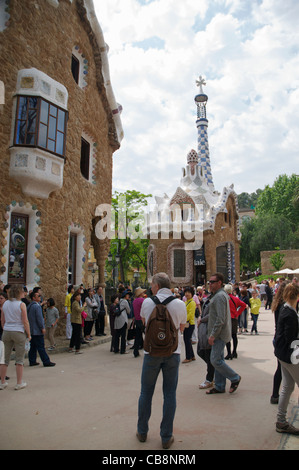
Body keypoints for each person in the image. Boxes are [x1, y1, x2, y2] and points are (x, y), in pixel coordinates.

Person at [136, 272, 187, 450]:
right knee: (170, 393)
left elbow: (144, 323)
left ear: (157, 286)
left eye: (151, 285)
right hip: (173, 353)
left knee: (146, 392)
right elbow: (181, 328)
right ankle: (166, 437)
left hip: (151, 353)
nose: (150, 288)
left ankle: (142, 431)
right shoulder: (180, 304)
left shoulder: (147, 302)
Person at [206, 273, 241, 395]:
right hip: (219, 334)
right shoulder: (218, 295)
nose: (210, 284)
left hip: (219, 335)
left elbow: (220, 319)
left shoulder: (220, 296)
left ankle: (235, 377)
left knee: (215, 360)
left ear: (219, 282)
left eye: (212, 282)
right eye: (209, 282)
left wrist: (213, 335)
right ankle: (220, 386)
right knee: (219, 359)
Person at [274, 283, 299, 435]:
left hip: (282, 354)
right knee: (287, 387)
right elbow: (291, 339)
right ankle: (281, 421)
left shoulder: (285, 309)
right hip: (290, 355)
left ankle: (281, 421)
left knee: (287, 387)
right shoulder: (290, 314)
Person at [0, 284, 31, 390]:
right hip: (18, 331)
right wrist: (28, 334)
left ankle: (2, 381)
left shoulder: (5, 304)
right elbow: (25, 321)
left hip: (7, 331)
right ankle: (19, 382)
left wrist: (5, 327)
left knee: (4, 359)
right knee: (19, 359)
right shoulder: (21, 304)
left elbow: (2, 320)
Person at [27, 291, 56, 367]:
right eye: (38, 296)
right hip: (37, 330)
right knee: (40, 346)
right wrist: (42, 327)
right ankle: (46, 361)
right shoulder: (37, 306)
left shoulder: (30, 305)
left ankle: (32, 360)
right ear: (34, 298)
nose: (40, 296)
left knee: (33, 346)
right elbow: (39, 318)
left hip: (32, 330)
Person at [270, 282, 287, 404]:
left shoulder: (278, 304)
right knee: (282, 369)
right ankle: (275, 394)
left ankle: (275, 394)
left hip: (278, 338)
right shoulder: (284, 306)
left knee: (280, 369)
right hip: (282, 339)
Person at [223, 284, 246, 359]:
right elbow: (243, 305)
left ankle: (229, 353)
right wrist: (237, 313)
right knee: (234, 335)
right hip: (234, 318)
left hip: (226, 319)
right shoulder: (235, 298)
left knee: (227, 336)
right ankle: (234, 351)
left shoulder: (224, 299)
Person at [197, 294, 215, 389]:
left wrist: (202, 319)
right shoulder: (207, 299)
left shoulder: (217, 299)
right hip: (203, 330)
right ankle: (214, 372)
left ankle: (210, 378)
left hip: (209, 330)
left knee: (209, 356)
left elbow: (213, 314)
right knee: (200, 352)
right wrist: (200, 317)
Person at [69, 290, 87, 354]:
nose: (79, 297)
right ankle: (77, 349)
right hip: (76, 321)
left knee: (74, 335)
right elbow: (79, 310)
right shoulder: (75, 303)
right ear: (75, 297)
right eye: (78, 296)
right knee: (77, 335)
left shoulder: (76, 303)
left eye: (80, 296)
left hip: (76, 320)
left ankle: (71, 347)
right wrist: (84, 306)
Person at [114, 289, 131, 354]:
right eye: (127, 295)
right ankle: (123, 350)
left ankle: (116, 349)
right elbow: (128, 310)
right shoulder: (125, 301)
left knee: (117, 335)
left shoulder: (119, 301)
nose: (128, 296)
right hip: (123, 319)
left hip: (117, 319)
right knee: (123, 336)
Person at [182, 286, 196, 363]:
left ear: (192, 294)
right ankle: (192, 355)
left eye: (189, 292)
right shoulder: (185, 302)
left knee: (186, 340)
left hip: (189, 324)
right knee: (188, 340)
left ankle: (188, 357)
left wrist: (183, 321)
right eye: (186, 292)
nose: (187, 294)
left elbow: (190, 314)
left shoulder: (192, 302)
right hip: (186, 323)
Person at [132, 287, 146, 358]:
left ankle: (135, 351)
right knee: (147, 335)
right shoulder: (142, 300)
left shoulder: (134, 301)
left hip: (137, 319)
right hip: (142, 319)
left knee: (137, 336)